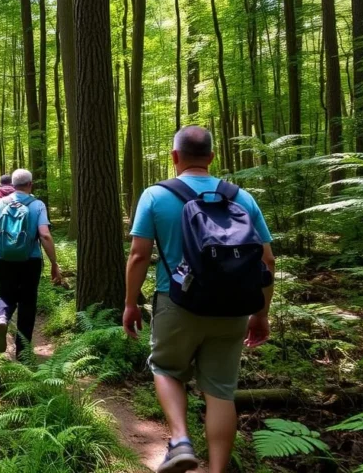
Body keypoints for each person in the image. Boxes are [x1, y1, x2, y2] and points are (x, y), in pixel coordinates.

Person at [123, 126, 274, 473]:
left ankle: (180, 440)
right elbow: (267, 261)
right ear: (212, 157)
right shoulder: (242, 197)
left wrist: (131, 303)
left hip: (178, 302)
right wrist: (260, 314)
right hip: (235, 307)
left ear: (175, 157)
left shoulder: (155, 196)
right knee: (221, 390)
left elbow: (138, 256)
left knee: (166, 368)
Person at [0, 168, 62, 360]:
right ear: (30, 184)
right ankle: (23, 353)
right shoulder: (38, 205)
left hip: (3, 258)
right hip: (30, 260)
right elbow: (44, 234)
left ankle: (2, 318)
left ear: (12, 184)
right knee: (28, 302)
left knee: (5, 294)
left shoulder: (1, 203)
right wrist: (54, 263)